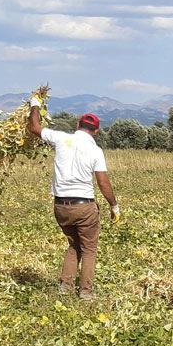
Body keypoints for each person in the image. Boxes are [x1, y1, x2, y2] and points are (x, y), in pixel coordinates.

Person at [26, 97, 120, 299]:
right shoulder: (95, 151)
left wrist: (35, 105)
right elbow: (103, 182)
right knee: (89, 249)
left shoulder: (61, 138)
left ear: (77, 125)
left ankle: (65, 287)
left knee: (74, 244)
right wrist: (114, 206)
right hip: (84, 206)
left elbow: (34, 127)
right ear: (96, 131)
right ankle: (85, 292)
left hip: (61, 206)